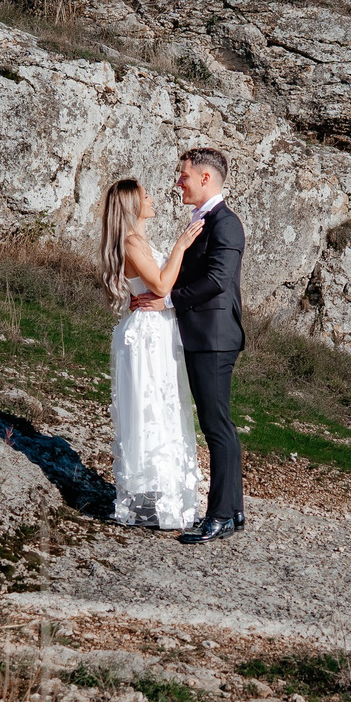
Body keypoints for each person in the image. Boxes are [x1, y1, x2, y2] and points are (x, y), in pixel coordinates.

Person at [132, 147, 245, 544]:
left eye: (183, 175)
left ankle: (219, 516)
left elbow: (217, 280)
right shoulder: (205, 221)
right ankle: (232, 510)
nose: (177, 182)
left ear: (204, 179)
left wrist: (167, 300)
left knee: (217, 426)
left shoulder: (226, 223)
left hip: (213, 338)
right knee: (219, 424)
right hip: (201, 336)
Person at [97, 177, 207, 530]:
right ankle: (154, 498)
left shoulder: (139, 240)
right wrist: (179, 247)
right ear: (133, 205)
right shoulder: (131, 242)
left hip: (156, 329)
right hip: (146, 334)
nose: (153, 197)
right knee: (151, 408)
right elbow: (160, 285)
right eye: (146, 195)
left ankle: (163, 496)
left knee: (164, 406)